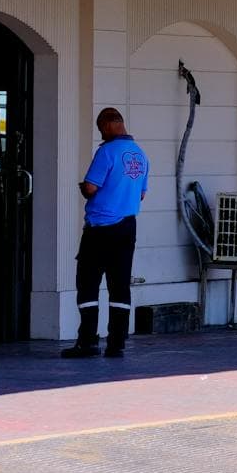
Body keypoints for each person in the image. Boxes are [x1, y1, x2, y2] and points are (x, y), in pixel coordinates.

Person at [63, 108, 149, 359]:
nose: (101, 133)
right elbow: (141, 193)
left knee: (88, 283)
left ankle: (88, 341)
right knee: (120, 285)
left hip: (101, 228)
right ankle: (117, 343)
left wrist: (84, 188)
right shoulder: (141, 155)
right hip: (128, 227)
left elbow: (91, 187)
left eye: (102, 128)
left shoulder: (106, 152)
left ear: (111, 124)